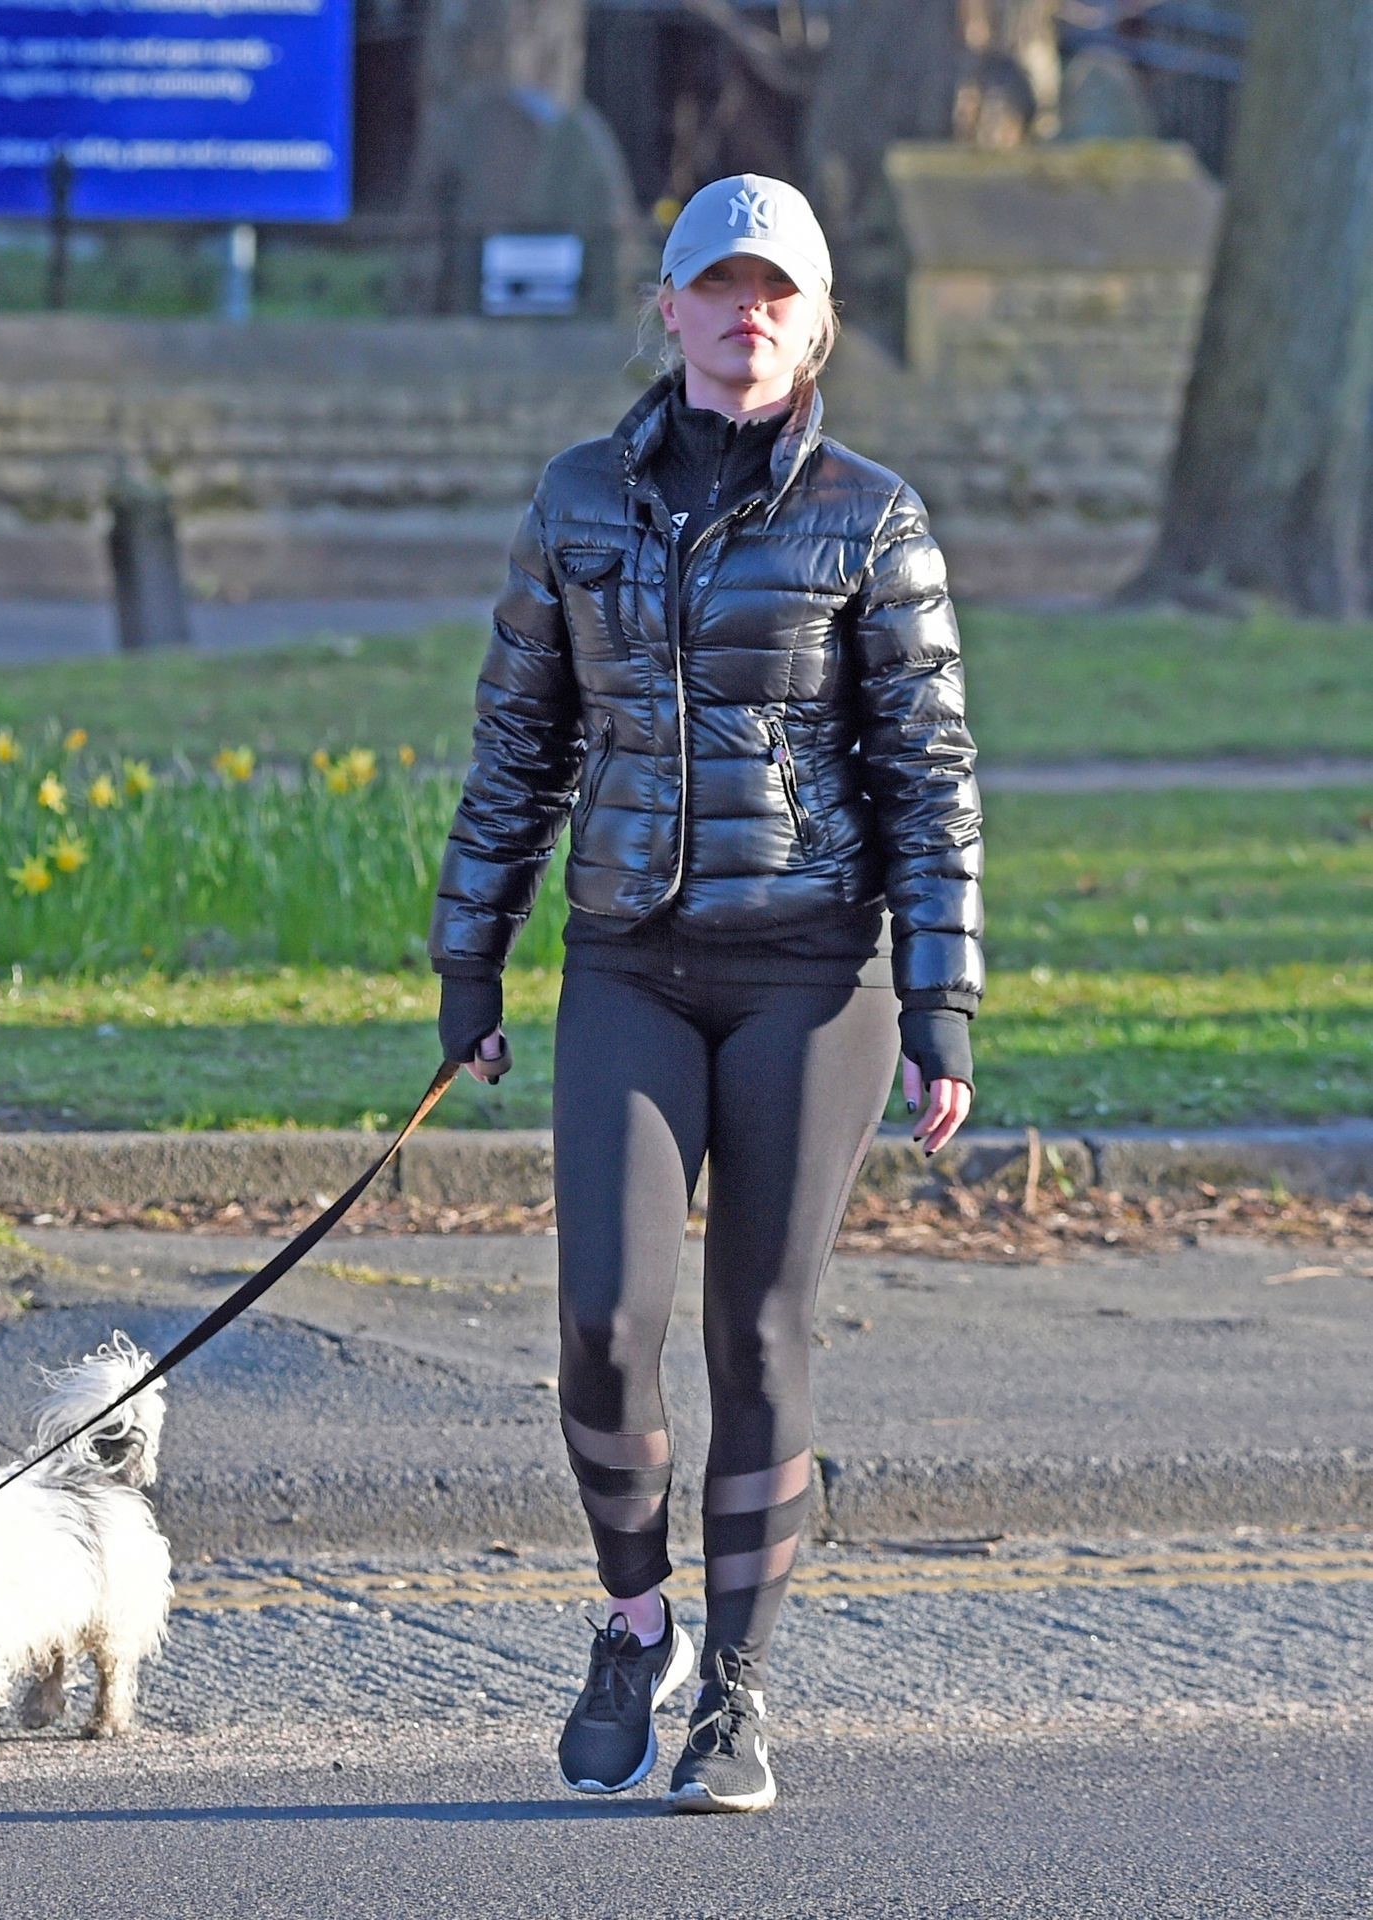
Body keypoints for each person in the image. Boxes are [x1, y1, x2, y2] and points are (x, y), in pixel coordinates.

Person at [427, 173, 983, 1814]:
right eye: (718, 288)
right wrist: (469, 957)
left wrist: (938, 998)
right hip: (628, 961)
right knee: (604, 1326)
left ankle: (734, 1694)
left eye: (776, 294)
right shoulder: (577, 500)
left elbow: (930, 776)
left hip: (814, 977)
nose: (747, 316)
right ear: (665, 309)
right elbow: (517, 743)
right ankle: (635, 1622)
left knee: (756, 1328)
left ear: (815, 328)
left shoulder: (871, 518)